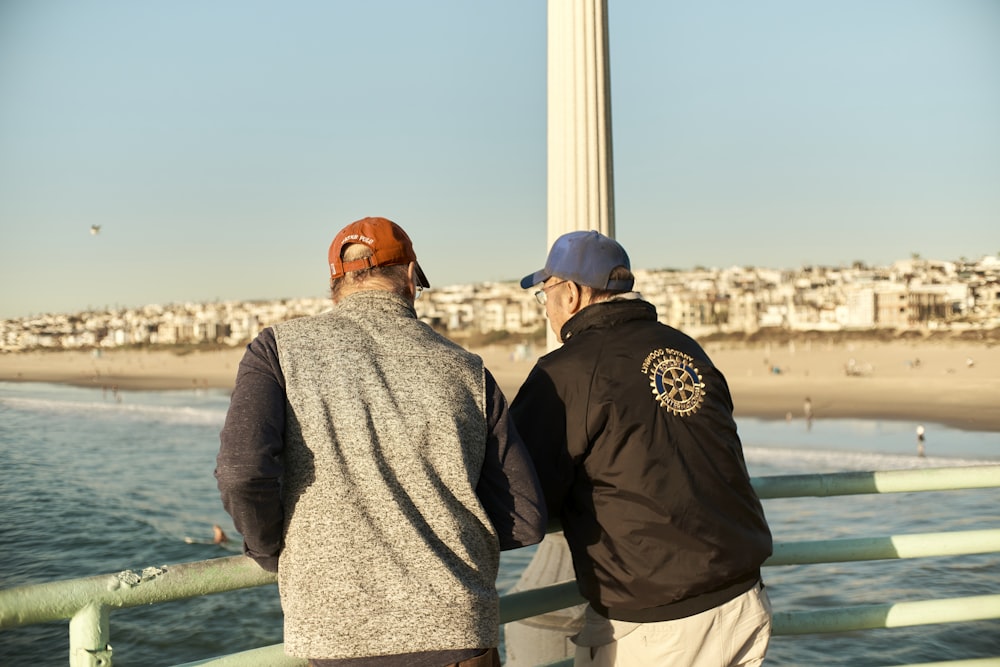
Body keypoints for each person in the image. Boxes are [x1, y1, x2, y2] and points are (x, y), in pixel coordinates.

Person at [215, 216, 547, 667]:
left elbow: (242, 472)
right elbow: (524, 517)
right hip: (457, 629)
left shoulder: (279, 348)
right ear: (411, 277)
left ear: (337, 282)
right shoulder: (466, 369)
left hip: (338, 634)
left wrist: (271, 549)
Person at [510, 230, 773, 667]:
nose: (547, 307)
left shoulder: (567, 372)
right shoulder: (684, 347)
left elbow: (524, 486)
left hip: (658, 618)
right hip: (742, 593)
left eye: (546, 293)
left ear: (571, 294)